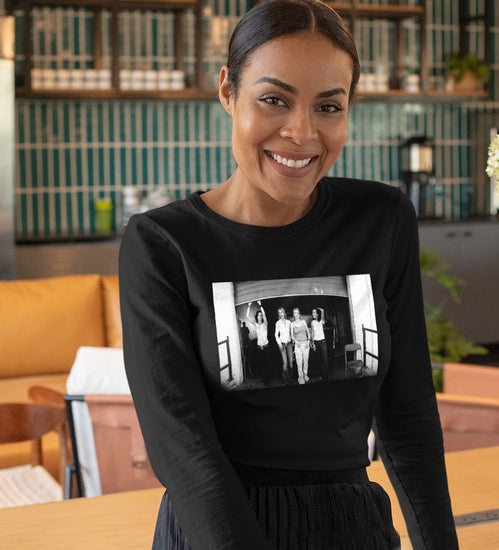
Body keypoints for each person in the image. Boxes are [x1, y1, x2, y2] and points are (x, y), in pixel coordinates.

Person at [119, 1, 458, 549]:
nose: (302, 133)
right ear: (229, 90)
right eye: (274, 99)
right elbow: (183, 452)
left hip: (353, 529)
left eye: (328, 106)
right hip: (217, 532)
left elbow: (409, 415)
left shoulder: (381, 220)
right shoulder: (162, 244)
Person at [246, 301, 270, 383]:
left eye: (261, 315)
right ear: (257, 317)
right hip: (259, 348)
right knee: (262, 365)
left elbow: (264, 314)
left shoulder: (265, 323)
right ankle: (264, 380)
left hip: (266, 347)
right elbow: (247, 316)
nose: (260, 316)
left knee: (267, 365)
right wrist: (249, 306)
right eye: (258, 315)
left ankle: (267, 380)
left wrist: (260, 305)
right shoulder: (256, 324)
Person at [290, 307, 311, 384]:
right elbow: (292, 336)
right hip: (298, 345)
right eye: (294, 313)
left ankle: (305, 375)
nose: (296, 314)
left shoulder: (303, 322)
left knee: (305, 361)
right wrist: (295, 341)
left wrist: (308, 341)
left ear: (299, 314)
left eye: (297, 312)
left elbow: (308, 332)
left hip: (305, 344)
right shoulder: (292, 324)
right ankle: (301, 377)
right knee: (299, 362)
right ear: (293, 314)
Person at [274, 307, 293, 384]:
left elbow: (291, 333)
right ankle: (286, 380)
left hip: (289, 344)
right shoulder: (278, 323)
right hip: (282, 345)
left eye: (282, 312)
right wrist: (279, 343)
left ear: (284, 312)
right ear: (278, 314)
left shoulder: (289, 322)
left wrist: (293, 340)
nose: (281, 313)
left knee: (291, 362)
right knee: (285, 363)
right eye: (279, 312)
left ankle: (291, 378)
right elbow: (276, 335)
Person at [311, 307, 329, 381]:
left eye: (314, 312)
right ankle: (321, 375)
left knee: (325, 359)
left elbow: (322, 313)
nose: (313, 314)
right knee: (319, 360)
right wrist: (313, 343)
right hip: (316, 342)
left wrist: (322, 310)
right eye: (312, 313)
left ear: (317, 314)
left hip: (322, 342)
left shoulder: (321, 321)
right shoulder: (312, 322)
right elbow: (312, 332)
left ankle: (326, 376)